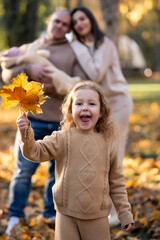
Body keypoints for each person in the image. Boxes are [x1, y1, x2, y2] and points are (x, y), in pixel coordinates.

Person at [1, 10, 87, 235]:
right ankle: (15, 216)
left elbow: (79, 85)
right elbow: (7, 73)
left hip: (61, 123)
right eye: (56, 21)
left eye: (64, 24)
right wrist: (29, 69)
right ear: (49, 21)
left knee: (55, 173)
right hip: (32, 121)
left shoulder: (73, 53)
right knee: (23, 171)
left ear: (68, 29)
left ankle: (50, 213)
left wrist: (49, 87)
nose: (59, 25)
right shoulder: (31, 47)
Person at [17, 81, 134, 240]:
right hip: (66, 216)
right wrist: (26, 133)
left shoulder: (109, 144)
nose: (85, 107)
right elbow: (35, 152)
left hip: (98, 217)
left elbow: (117, 182)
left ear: (101, 112)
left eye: (91, 103)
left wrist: (124, 213)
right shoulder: (62, 138)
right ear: (70, 111)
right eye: (79, 103)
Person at [70, 6, 134, 226]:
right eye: (75, 22)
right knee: (100, 156)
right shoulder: (84, 47)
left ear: (90, 20)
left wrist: (76, 45)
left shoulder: (104, 43)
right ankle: (105, 209)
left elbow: (96, 73)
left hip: (117, 102)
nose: (79, 23)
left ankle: (117, 213)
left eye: (82, 18)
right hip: (100, 106)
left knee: (113, 155)